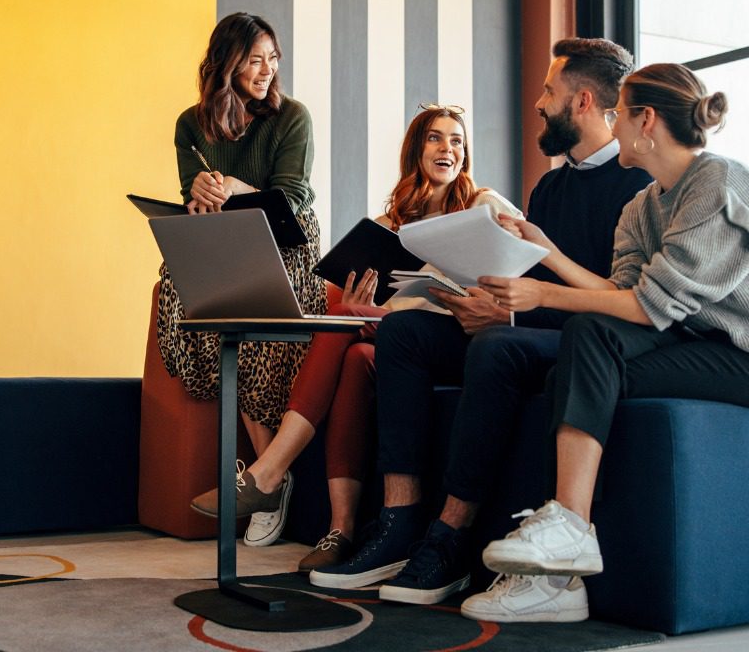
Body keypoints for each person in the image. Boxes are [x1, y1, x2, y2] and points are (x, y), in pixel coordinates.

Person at [309, 39, 652, 618]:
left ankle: (450, 539)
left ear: (584, 101)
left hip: (580, 342)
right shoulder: (549, 188)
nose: (538, 103)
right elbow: (519, 274)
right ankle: (398, 523)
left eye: (549, 91)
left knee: (496, 345)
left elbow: (618, 304)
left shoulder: (636, 186)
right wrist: (480, 299)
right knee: (402, 337)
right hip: (523, 324)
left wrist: (510, 315)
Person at [467, 62, 749, 623]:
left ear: (646, 120)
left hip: (736, 357)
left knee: (586, 338)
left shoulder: (716, 181)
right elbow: (619, 294)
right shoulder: (641, 207)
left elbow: (648, 305)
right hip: (684, 343)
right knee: (580, 353)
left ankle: (568, 535)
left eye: (619, 115)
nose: (611, 126)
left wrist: (542, 295)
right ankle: (559, 578)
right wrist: (544, 249)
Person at [190, 104, 521, 564]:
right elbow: (378, 307)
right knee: (349, 342)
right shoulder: (389, 226)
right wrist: (360, 308)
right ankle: (339, 530)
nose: (448, 148)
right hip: (398, 342)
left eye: (457, 140)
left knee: (358, 335)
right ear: (416, 151)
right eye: (435, 138)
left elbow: (523, 265)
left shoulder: (483, 205)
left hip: (463, 338)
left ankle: (269, 474)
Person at [156, 12, 328, 541]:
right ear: (226, 63)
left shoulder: (292, 116)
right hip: (225, 240)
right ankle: (269, 479)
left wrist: (235, 186)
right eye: (255, 59)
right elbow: (193, 191)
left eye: (272, 59)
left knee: (252, 334)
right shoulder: (191, 123)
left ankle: (265, 481)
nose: (266, 69)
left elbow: (294, 197)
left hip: (285, 242)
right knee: (181, 297)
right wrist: (200, 196)